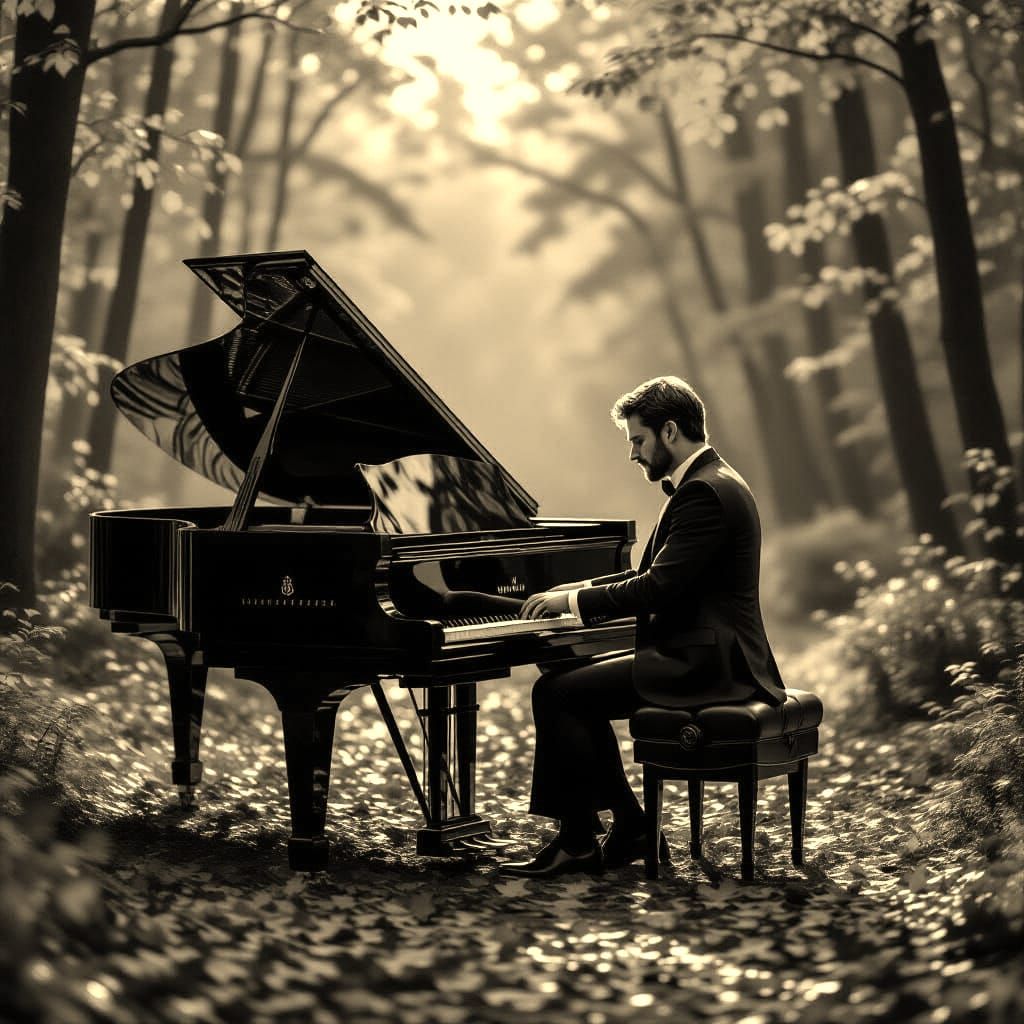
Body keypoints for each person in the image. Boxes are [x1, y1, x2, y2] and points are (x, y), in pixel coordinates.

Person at [499, 376, 786, 879]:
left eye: (638, 440)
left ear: (669, 430)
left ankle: (581, 840)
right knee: (565, 681)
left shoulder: (703, 495)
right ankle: (627, 826)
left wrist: (571, 599)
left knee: (558, 693)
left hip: (707, 665)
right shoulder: (712, 481)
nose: (633, 454)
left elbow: (656, 589)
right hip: (705, 655)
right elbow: (649, 576)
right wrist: (574, 591)